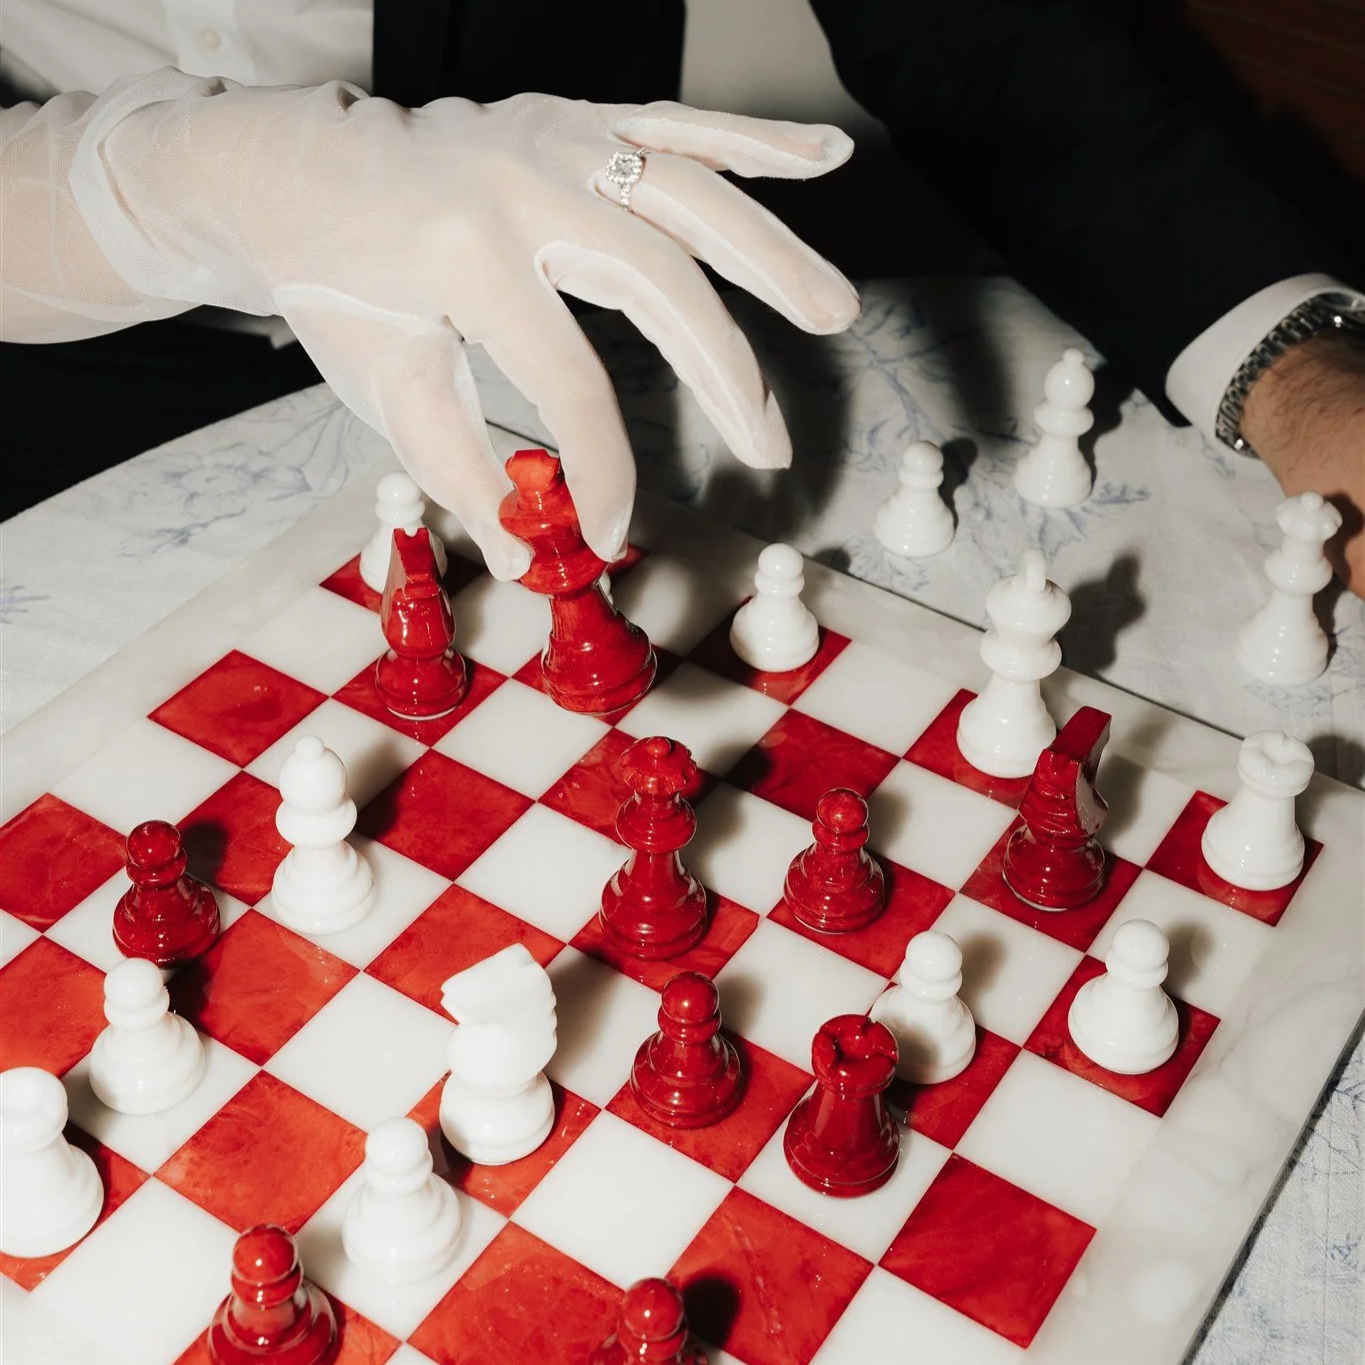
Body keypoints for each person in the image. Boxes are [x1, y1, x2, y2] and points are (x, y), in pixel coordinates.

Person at [2, 0, 1361, 592]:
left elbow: (979, 26)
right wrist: (175, 182)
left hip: (559, 321)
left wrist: (1294, 369)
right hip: (75, 382)